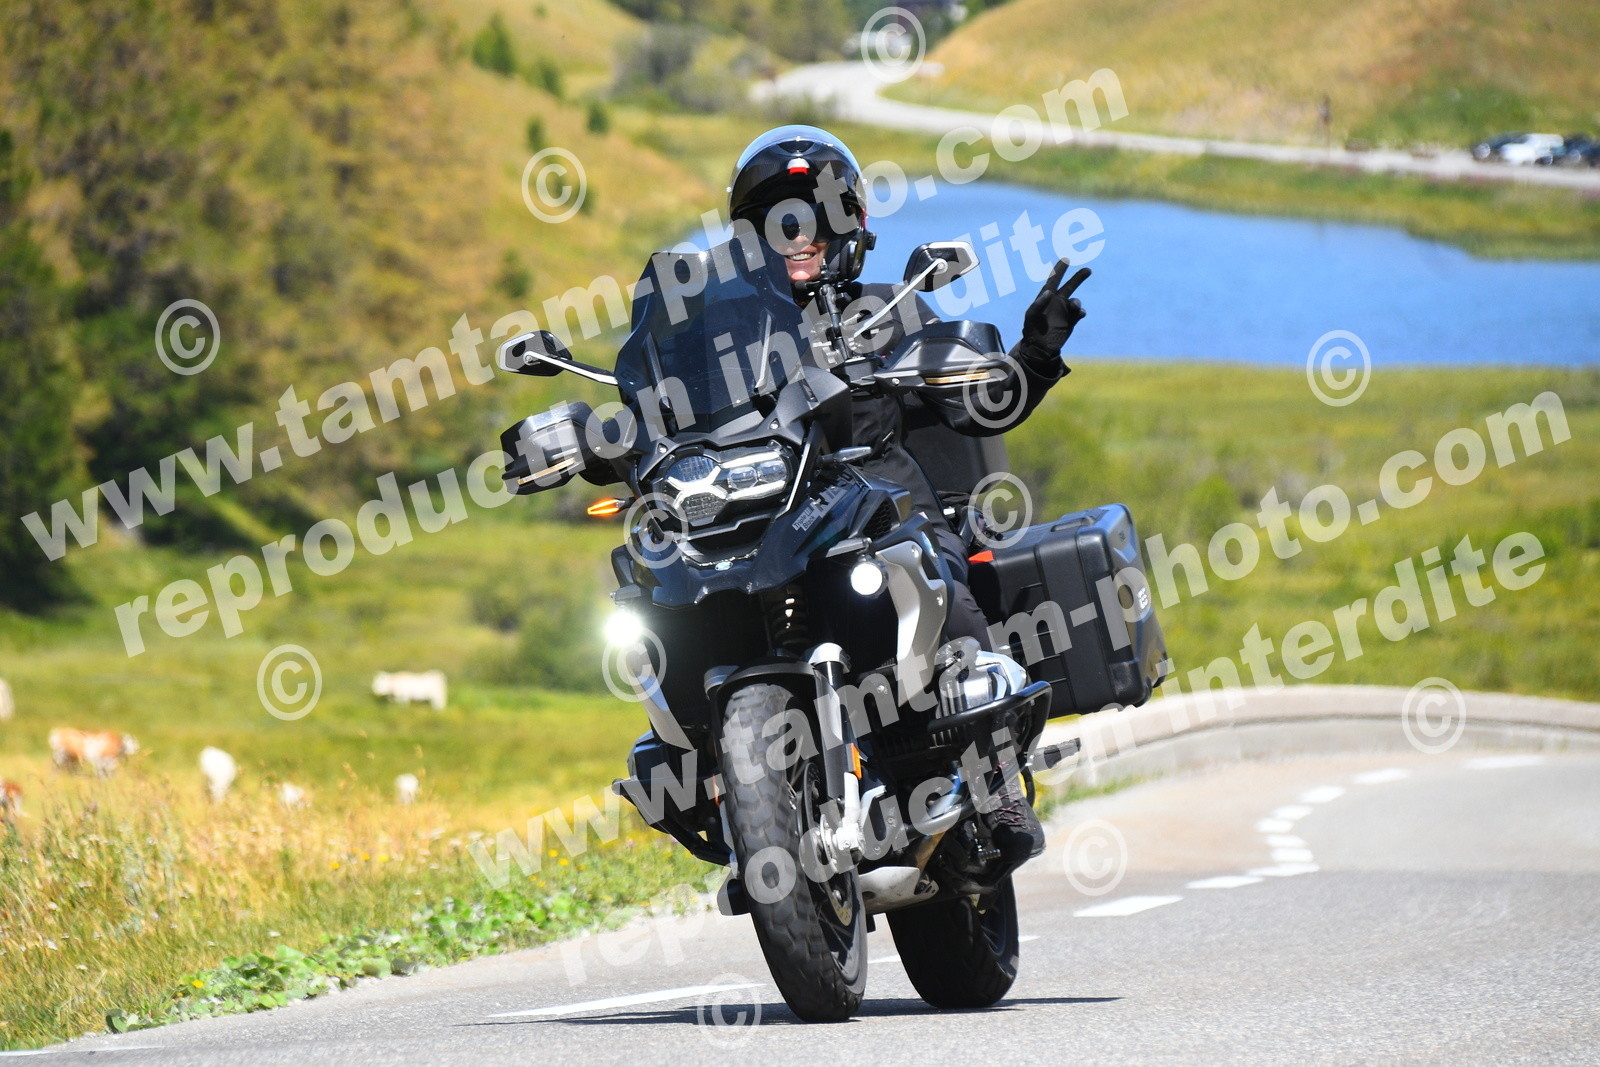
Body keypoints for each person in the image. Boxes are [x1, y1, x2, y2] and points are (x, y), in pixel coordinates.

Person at [726, 125, 1090, 879]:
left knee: (929, 569)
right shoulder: (728, 341)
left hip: (885, 510)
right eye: (777, 222)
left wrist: (1034, 355)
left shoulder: (890, 310)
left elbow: (978, 407)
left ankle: (996, 786)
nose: (798, 237)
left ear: (847, 226)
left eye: (812, 218)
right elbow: (663, 420)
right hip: (770, 531)